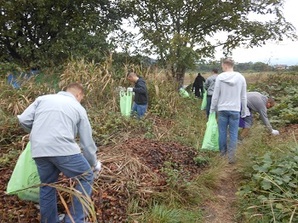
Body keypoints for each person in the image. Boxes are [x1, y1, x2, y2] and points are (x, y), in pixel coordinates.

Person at [17, 83, 101, 223]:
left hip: (39, 150)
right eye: (81, 98)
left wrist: (39, 134)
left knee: (47, 185)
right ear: (78, 94)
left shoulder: (42, 99)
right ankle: (75, 220)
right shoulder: (77, 107)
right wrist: (93, 163)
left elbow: (23, 120)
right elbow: (87, 143)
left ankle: (49, 221)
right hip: (64, 149)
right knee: (86, 177)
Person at [210, 58, 248, 164]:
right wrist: (244, 110)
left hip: (222, 109)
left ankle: (222, 155)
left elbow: (215, 96)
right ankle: (231, 157)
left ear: (225, 65)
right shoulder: (241, 77)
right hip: (235, 109)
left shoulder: (220, 77)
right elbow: (243, 96)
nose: (222, 68)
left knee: (222, 132)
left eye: (222, 66)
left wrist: (212, 109)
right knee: (233, 133)